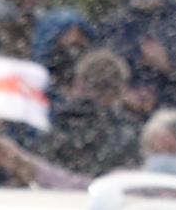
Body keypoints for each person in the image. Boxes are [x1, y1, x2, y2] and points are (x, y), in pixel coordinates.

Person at [0, 106, 176, 210]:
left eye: (170, 151)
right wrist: (22, 163)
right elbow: (76, 188)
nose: (160, 160)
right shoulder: (126, 187)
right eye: (152, 151)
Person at [38, 51, 144, 179]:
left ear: (79, 84)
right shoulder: (130, 133)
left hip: (61, 196)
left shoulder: (61, 124)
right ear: (122, 89)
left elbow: (44, 168)